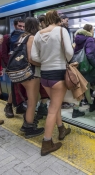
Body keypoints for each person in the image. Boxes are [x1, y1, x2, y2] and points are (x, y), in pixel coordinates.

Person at [31, 10, 73, 156]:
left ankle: (61, 129)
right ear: (58, 19)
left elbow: (34, 56)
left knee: (55, 104)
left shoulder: (38, 34)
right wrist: (64, 58)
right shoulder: (61, 31)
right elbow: (69, 52)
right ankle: (47, 143)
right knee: (53, 109)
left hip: (45, 76)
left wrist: (46, 60)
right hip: (58, 75)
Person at [18, 17, 44, 138]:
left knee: (31, 100)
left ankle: (27, 122)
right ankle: (29, 128)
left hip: (22, 73)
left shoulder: (22, 37)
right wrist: (44, 64)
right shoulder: (31, 38)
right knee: (32, 102)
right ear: (36, 26)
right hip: (31, 74)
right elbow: (31, 59)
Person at [1, 18, 26, 118]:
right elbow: (3, 53)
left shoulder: (25, 37)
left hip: (24, 65)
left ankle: (19, 105)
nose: (22, 28)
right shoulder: (7, 37)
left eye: (23, 26)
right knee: (15, 86)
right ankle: (9, 106)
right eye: (20, 26)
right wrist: (9, 66)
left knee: (22, 86)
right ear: (15, 26)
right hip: (13, 66)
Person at [74, 25, 95, 114]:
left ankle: (91, 105)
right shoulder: (89, 39)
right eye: (93, 29)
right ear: (89, 30)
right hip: (87, 67)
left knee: (85, 86)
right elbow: (90, 54)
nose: (93, 31)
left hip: (79, 66)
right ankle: (75, 109)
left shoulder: (78, 39)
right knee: (84, 87)